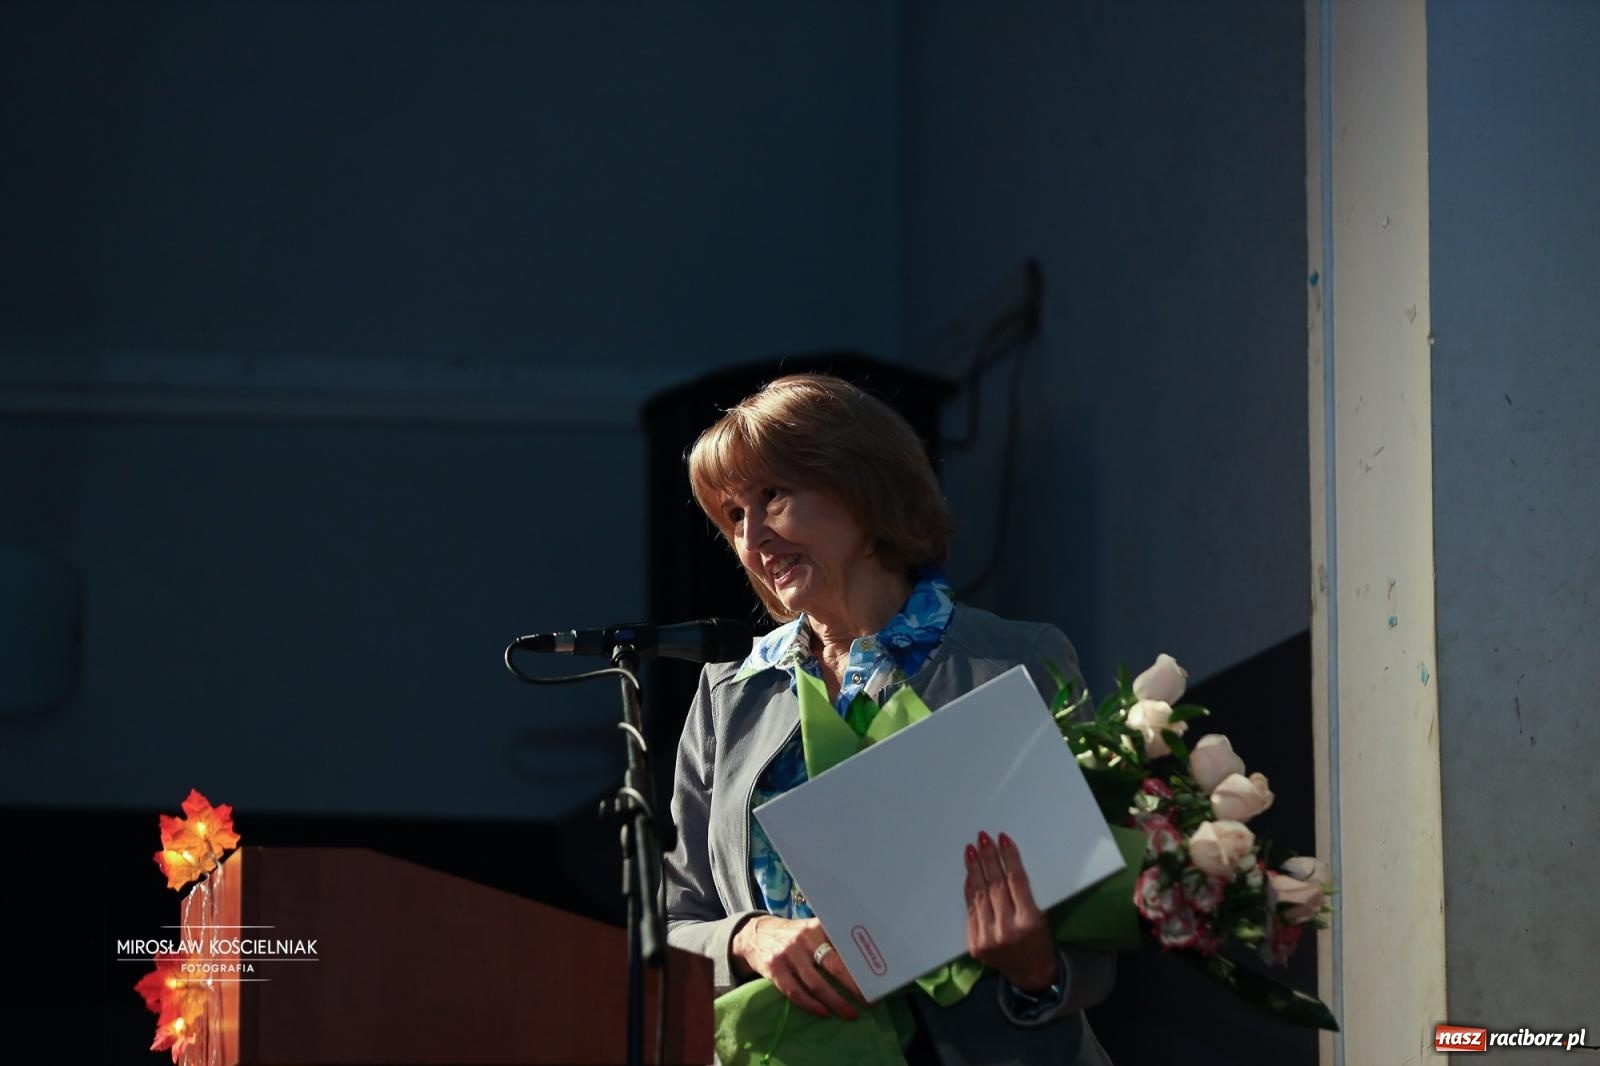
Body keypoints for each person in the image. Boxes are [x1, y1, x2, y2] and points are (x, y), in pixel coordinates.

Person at [663, 373, 1114, 1065]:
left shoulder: (1019, 660)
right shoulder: (728, 693)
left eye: (772, 496)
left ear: (860, 484)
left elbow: (1096, 931)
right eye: (732, 517)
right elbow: (674, 917)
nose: (752, 538)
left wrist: (1035, 968)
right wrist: (746, 937)